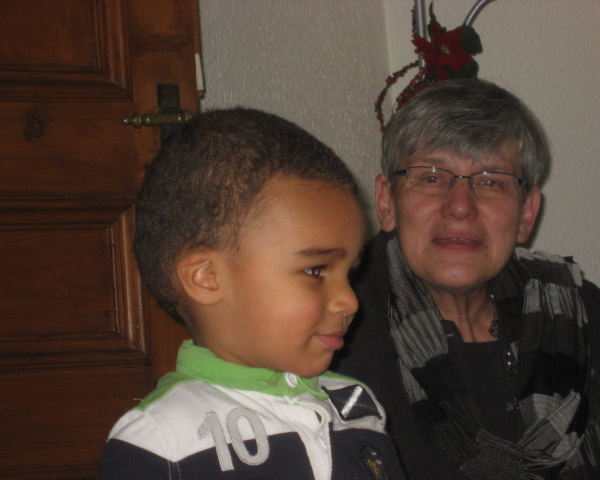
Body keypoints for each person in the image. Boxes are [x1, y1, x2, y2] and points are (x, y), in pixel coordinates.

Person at [333, 79, 600, 479]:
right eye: (431, 177)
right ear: (387, 201)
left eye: (491, 181)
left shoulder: (581, 312)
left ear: (526, 213)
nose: (460, 206)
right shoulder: (338, 325)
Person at [96, 108, 407, 480]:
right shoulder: (163, 439)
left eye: (349, 273)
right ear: (207, 278)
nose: (350, 301)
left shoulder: (357, 407)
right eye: (315, 270)